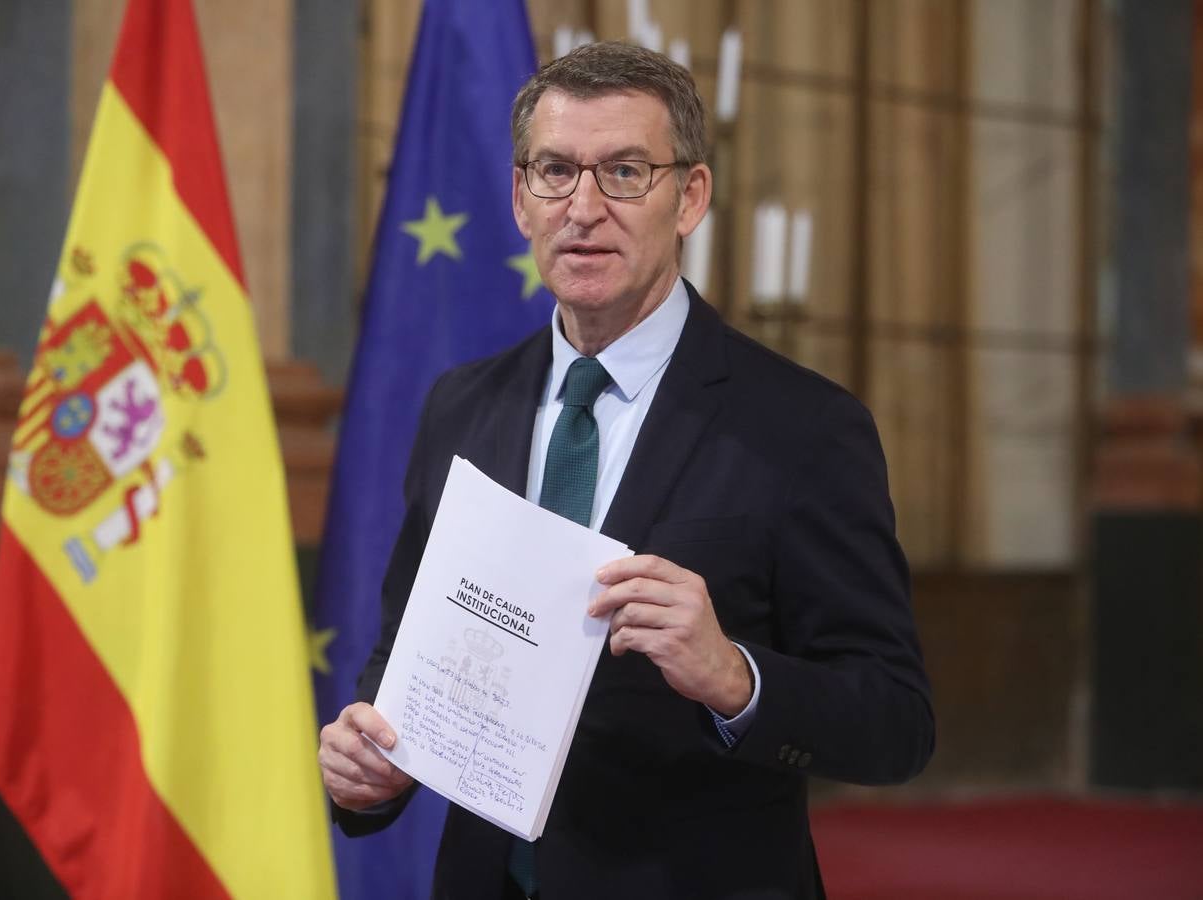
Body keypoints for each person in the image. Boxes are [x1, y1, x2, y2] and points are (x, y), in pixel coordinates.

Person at [318, 41, 934, 900]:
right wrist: (368, 764)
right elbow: (406, 653)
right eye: (556, 171)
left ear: (691, 197)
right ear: (519, 198)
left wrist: (734, 677)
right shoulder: (462, 406)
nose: (584, 207)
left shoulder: (805, 427)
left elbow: (895, 721)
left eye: (626, 172)